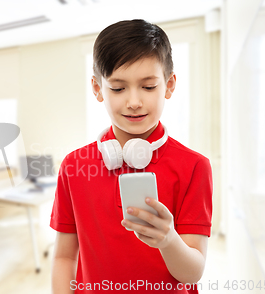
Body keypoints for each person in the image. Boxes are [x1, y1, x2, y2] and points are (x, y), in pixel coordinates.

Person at [50, 20, 212, 294]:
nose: (134, 101)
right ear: (98, 89)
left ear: (169, 85)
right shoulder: (73, 166)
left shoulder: (194, 166)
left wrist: (168, 239)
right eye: (118, 88)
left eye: (148, 87)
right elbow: (64, 256)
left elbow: (192, 274)